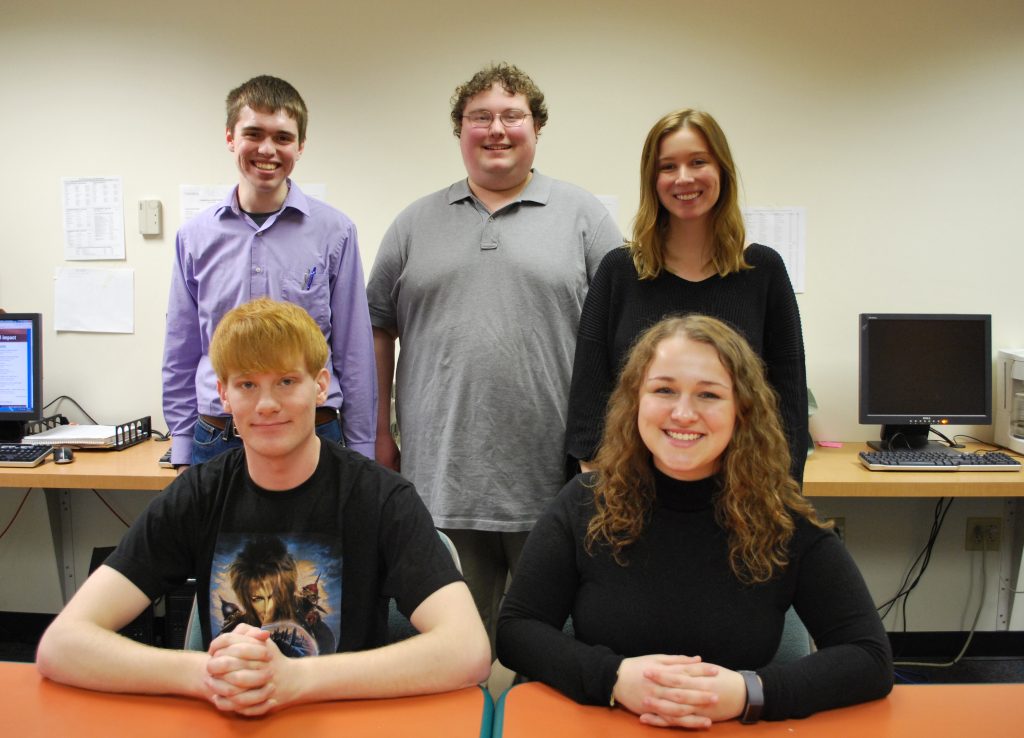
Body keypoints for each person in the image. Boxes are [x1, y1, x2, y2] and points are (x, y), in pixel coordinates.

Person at [37, 298, 490, 715]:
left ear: (320, 385)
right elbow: (62, 645)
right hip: (228, 717)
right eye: (247, 384)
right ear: (225, 394)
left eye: (287, 381)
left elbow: (467, 649)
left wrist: (294, 679)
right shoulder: (197, 496)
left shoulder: (381, 499)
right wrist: (205, 675)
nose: (267, 404)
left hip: (341, 717)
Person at [497, 315, 892, 728]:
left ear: (742, 410)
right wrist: (613, 678)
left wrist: (748, 693)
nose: (683, 413)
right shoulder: (584, 503)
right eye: (664, 389)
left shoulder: (782, 520)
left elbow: (869, 656)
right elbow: (516, 630)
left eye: (708, 395)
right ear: (636, 400)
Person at [366, 63, 623, 647]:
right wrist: (378, 431)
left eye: (513, 116)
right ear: (460, 131)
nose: (497, 129)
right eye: (480, 117)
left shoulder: (585, 218)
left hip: (558, 484)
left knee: (554, 653)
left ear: (537, 128)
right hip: (441, 481)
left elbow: (626, 334)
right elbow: (376, 326)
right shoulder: (414, 223)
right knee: (448, 654)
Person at [565, 108, 808, 484]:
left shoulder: (763, 272)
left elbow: (788, 405)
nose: (684, 178)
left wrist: (781, 497)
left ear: (722, 171)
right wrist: (600, 498)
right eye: (667, 167)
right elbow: (589, 403)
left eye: (698, 162)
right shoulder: (619, 272)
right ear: (652, 179)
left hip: (740, 494)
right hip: (632, 494)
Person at [163, 74, 375, 469]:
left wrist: (362, 448)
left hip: (315, 430)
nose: (267, 149)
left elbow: (354, 351)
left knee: (317, 535)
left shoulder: (335, 232)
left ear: (300, 145)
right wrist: (180, 445)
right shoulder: (194, 237)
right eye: (253, 133)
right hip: (219, 436)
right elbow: (181, 350)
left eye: (282, 137)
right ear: (230, 137)